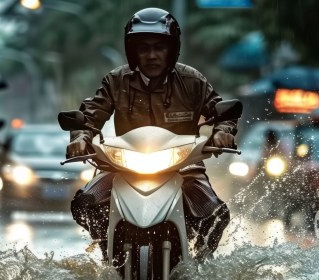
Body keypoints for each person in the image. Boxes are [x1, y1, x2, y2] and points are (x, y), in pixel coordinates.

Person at [66, 7, 237, 260]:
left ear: (172, 49)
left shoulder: (192, 81)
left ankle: (202, 265)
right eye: (144, 48)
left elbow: (222, 112)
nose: (152, 55)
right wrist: (80, 138)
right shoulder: (116, 80)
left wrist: (224, 132)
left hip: (183, 167)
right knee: (85, 204)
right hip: (122, 166)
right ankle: (107, 252)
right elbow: (90, 115)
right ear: (133, 52)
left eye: (159, 47)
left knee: (216, 214)